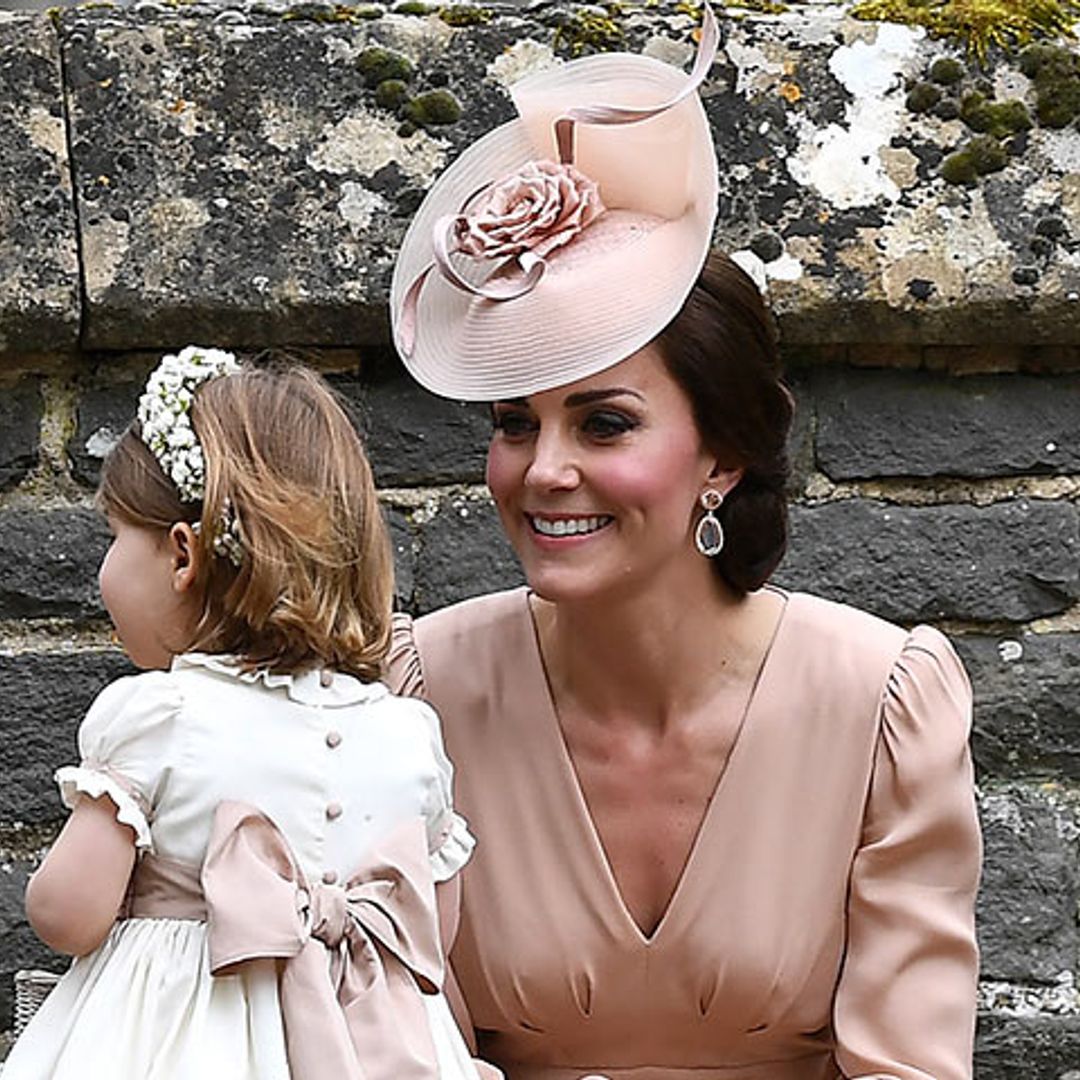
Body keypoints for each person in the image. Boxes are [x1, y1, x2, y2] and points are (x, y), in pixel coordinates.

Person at [383, 5, 982, 1079]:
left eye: (604, 422)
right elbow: (382, 1041)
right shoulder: (420, 692)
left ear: (725, 455)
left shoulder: (883, 703)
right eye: (515, 423)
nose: (544, 469)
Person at [4, 348, 486, 1080]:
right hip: (369, 1043)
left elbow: (69, 915)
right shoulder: (408, 735)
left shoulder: (161, 716)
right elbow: (428, 933)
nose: (105, 566)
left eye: (114, 536)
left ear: (181, 555)